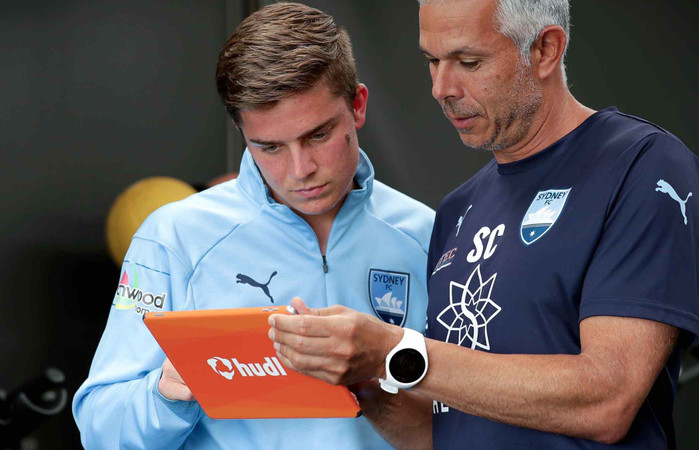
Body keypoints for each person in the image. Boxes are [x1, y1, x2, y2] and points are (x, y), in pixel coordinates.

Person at [268, 0, 699, 448]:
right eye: (432, 61)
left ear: (545, 50)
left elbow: (606, 400)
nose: (442, 87)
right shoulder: (458, 209)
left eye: (468, 61)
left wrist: (391, 350)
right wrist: (356, 376)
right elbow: (441, 433)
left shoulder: (641, 165)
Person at [72, 3, 434, 449]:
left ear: (357, 106)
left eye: (317, 135)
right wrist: (169, 392)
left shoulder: (427, 235)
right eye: (269, 147)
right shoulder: (175, 237)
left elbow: (468, 410)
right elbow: (99, 428)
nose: (300, 169)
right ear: (243, 133)